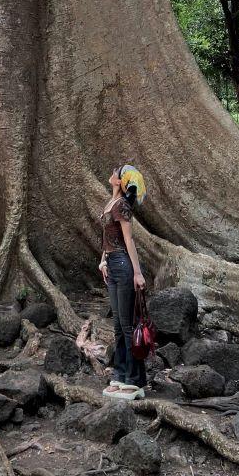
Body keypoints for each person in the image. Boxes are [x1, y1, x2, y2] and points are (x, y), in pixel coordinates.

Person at [98, 163, 148, 401]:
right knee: (118, 325)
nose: (111, 173)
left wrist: (137, 273)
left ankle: (135, 380)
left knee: (128, 326)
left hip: (124, 265)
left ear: (120, 181)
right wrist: (102, 260)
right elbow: (108, 237)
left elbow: (129, 241)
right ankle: (119, 375)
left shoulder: (123, 206)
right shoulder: (110, 203)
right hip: (112, 265)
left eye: (115, 172)